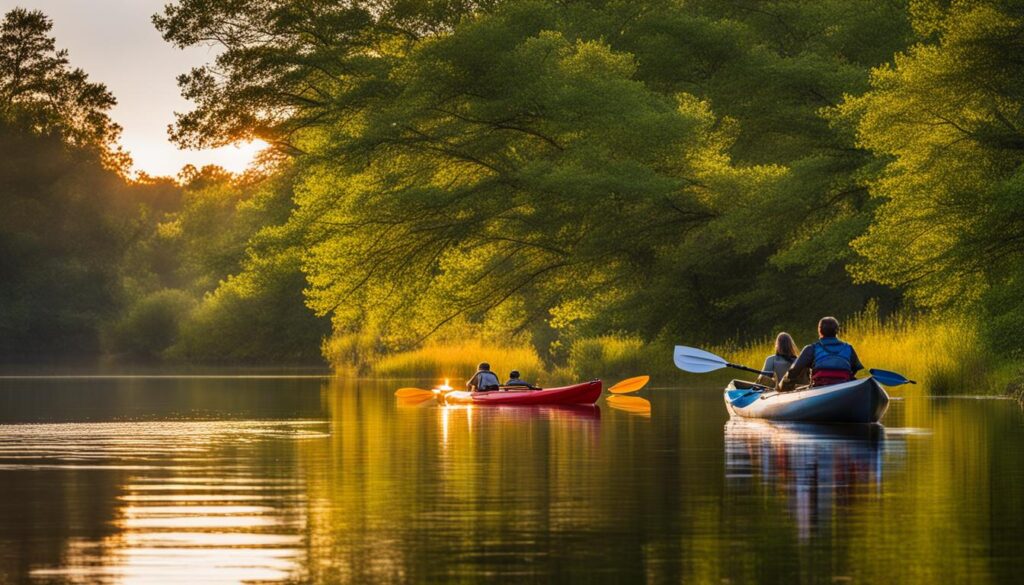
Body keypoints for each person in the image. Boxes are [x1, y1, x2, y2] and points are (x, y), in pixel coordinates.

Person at [779, 316, 864, 390]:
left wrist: (782, 387)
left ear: (819, 331)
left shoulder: (811, 349)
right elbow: (861, 371)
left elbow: (793, 371)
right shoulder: (848, 348)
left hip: (820, 389)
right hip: (844, 388)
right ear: (837, 331)